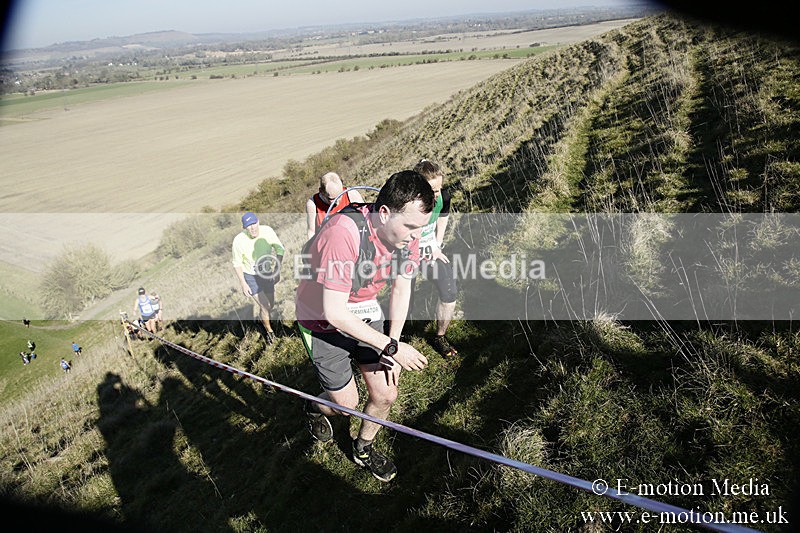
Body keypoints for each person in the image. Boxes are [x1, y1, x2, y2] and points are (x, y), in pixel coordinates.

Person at [296, 170, 434, 482]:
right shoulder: (342, 233)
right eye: (411, 227)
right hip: (321, 320)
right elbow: (334, 312)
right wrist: (391, 347)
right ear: (384, 213)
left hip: (364, 309)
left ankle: (363, 448)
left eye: (420, 228)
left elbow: (402, 287)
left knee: (386, 394)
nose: (416, 236)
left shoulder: (408, 233)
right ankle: (317, 405)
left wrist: (392, 343)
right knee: (346, 406)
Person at [411, 158, 459, 358]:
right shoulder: (407, 203)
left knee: (449, 294)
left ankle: (439, 336)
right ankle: (400, 335)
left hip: (431, 251)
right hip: (407, 252)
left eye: (440, 188)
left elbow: (442, 218)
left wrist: (437, 246)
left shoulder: (443, 196)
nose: (437, 194)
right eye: (433, 190)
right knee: (405, 297)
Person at [232, 212, 285, 343]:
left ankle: (261, 319)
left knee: (270, 304)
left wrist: (276, 271)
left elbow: (280, 249)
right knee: (265, 305)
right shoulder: (238, 241)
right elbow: (237, 263)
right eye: (249, 226)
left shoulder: (267, 231)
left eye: (254, 223)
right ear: (244, 228)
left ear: (258, 222)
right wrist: (243, 283)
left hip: (266, 273)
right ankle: (270, 332)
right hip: (250, 276)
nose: (253, 228)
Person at [305, 171, 365, 239]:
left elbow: (365, 219)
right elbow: (311, 232)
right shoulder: (313, 204)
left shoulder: (351, 195)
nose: (338, 202)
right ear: (321, 192)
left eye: (340, 195)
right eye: (332, 199)